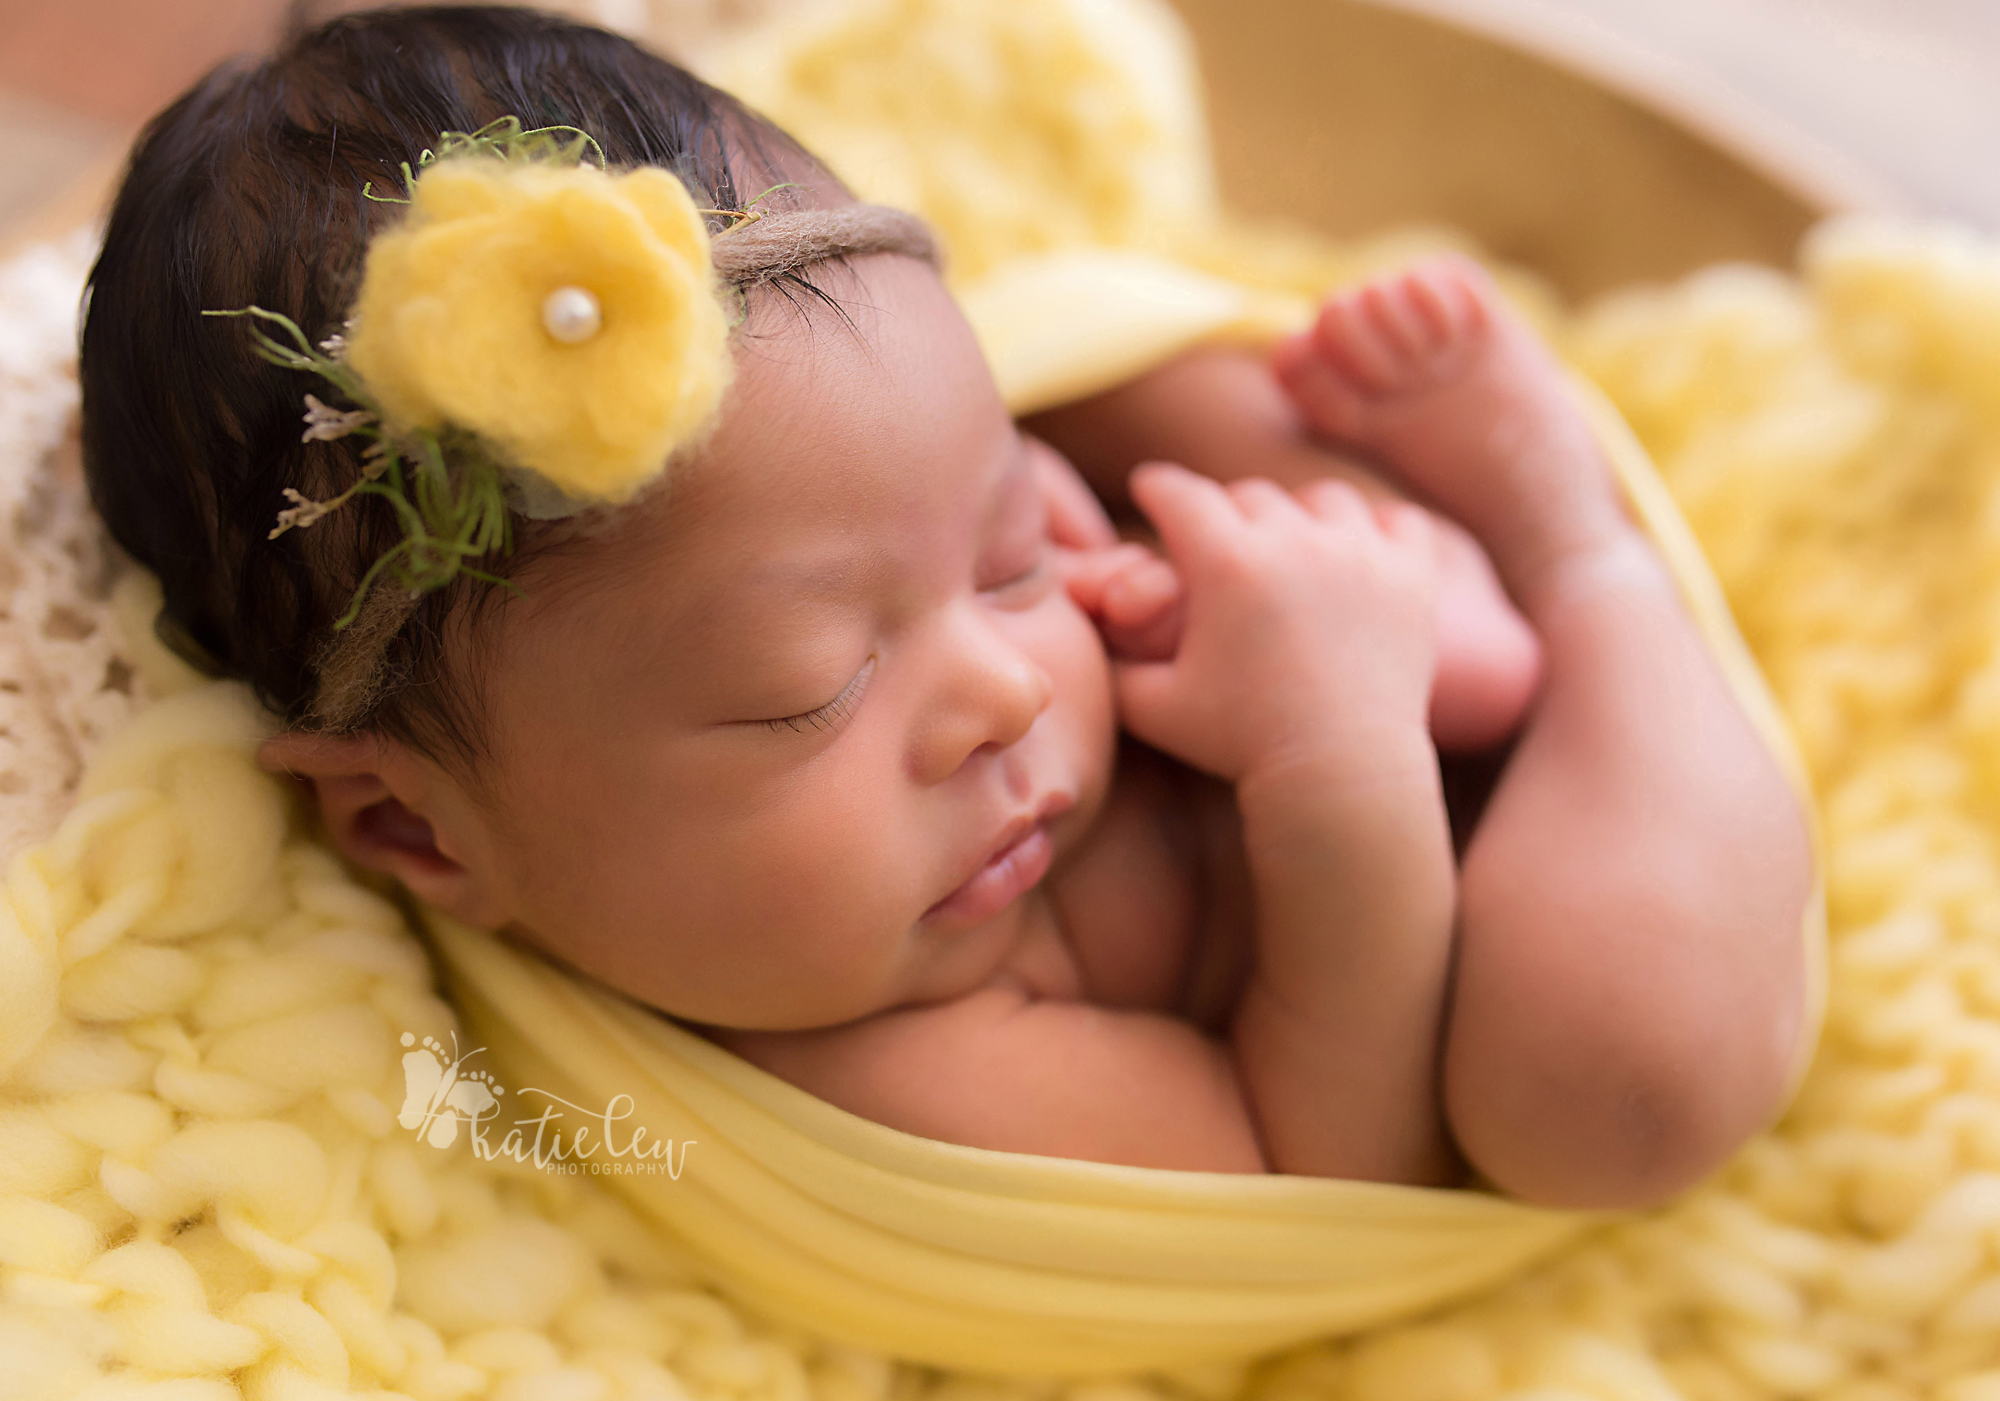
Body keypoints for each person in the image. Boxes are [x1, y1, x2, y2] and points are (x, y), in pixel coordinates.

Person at [80, 5, 1811, 1208]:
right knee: (1609, 1089)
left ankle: (1414, 544)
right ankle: (1577, 567)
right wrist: (1339, 761)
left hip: (1229, 622)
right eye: (807, 692)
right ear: (418, 825)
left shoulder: (957, 591)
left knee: (1102, 408)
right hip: (1410, 909)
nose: (998, 688)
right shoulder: (878, 1062)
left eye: (1000, 563)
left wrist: (1099, 527)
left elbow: (942, 469)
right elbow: (1329, 1154)